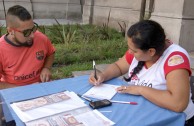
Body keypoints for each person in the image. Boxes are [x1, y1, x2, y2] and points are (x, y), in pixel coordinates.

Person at [89, 20, 194, 125]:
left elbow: (178, 104)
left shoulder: (175, 59)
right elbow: (118, 67)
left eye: (134, 51)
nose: (129, 52)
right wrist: (103, 75)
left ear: (151, 52)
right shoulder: (140, 50)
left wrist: (140, 89)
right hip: (143, 111)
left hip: (173, 120)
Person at [0, 5, 55, 89]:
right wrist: (25, 90)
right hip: (14, 92)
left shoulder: (41, 38)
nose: (33, 35)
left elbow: (51, 53)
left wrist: (46, 68)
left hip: (42, 87)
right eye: (26, 32)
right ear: (11, 31)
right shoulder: (1, 49)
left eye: (33, 29)